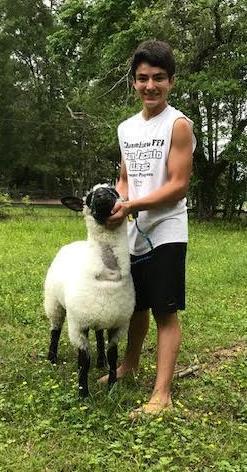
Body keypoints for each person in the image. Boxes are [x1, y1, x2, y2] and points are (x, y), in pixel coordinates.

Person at [99, 40, 196, 416]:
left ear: (171, 81)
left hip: (167, 230)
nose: (150, 86)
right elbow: (125, 178)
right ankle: (129, 366)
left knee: (164, 311)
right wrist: (118, 201)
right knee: (136, 307)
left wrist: (133, 204)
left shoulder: (178, 124)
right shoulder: (126, 128)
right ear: (133, 82)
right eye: (142, 78)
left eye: (158, 78)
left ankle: (162, 395)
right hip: (134, 232)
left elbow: (177, 185)